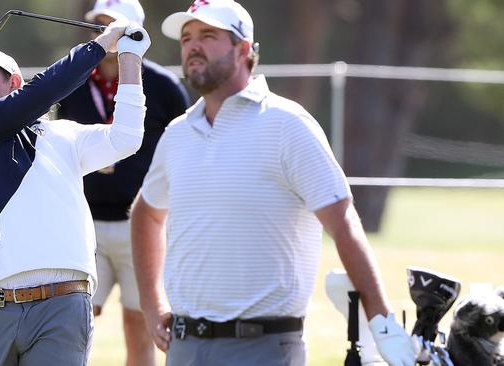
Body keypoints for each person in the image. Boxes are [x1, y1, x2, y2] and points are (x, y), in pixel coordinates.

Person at [129, 1, 416, 365]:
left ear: (244, 49)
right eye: (186, 38)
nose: (192, 46)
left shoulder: (287, 124)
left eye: (208, 35)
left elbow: (343, 223)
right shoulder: (178, 133)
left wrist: (381, 321)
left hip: (264, 347)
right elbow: (146, 214)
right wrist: (152, 306)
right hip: (185, 348)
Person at [0, 20, 150, 365]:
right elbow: (41, 95)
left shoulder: (64, 135)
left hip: (62, 306)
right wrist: (99, 45)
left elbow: (125, 138)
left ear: (14, 82)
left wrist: (128, 58)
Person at [56, 1, 189, 365]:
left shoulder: (164, 86)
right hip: (85, 224)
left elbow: (185, 146)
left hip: (141, 228)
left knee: (139, 324)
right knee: (74, 321)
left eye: (114, 25)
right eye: (100, 25)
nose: (107, 33)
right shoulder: (74, 83)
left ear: (136, 31)